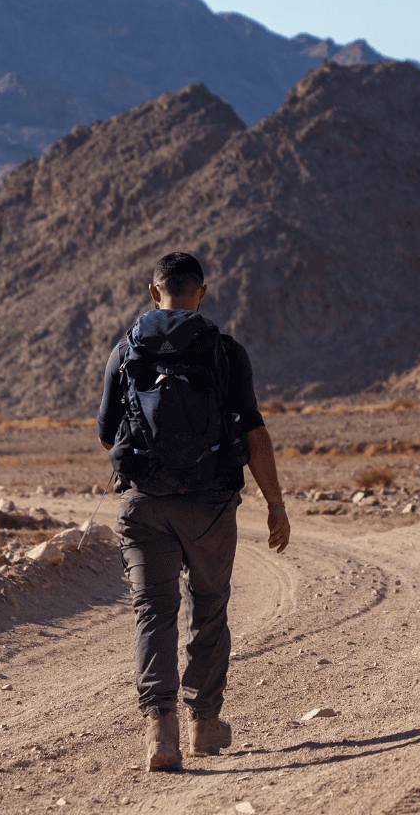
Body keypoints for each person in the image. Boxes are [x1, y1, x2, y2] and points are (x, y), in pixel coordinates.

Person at [97, 252, 291, 773]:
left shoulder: (127, 349)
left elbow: (105, 429)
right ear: (201, 292)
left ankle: (161, 732)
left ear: (151, 290)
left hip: (143, 505)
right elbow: (254, 434)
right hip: (209, 504)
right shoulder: (225, 351)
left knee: (152, 611)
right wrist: (275, 504)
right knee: (209, 606)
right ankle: (204, 724)